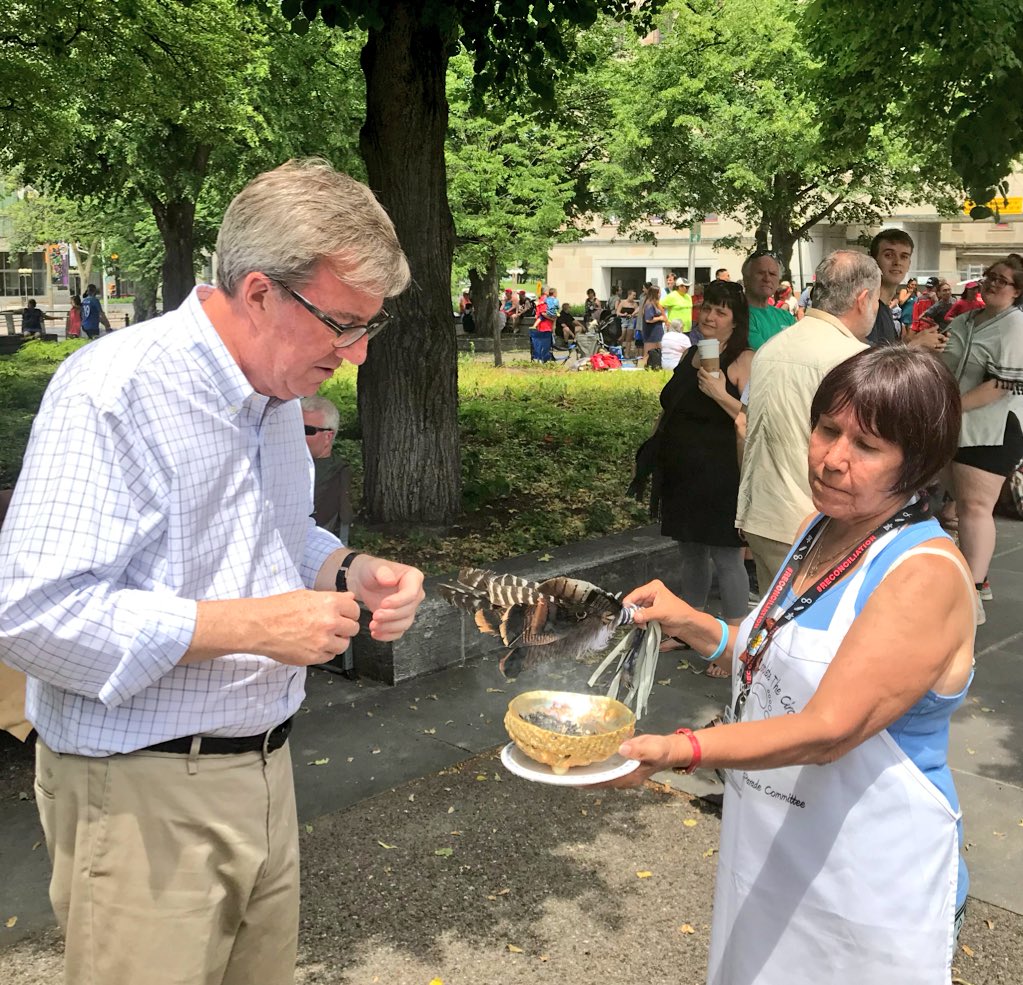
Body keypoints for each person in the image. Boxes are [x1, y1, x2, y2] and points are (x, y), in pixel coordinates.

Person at [0, 159, 427, 985]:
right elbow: (32, 615)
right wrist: (255, 626)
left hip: (263, 769)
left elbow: (277, 536)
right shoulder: (114, 389)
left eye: (369, 327)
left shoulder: (273, 394)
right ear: (261, 292)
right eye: (343, 323)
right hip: (139, 795)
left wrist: (347, 569)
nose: (359, 354)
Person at [611, 345, 976, 985]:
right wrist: (691, 623)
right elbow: (772, 655)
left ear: (916, 465)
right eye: (827, 429)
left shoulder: (924, 573)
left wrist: (680, 749)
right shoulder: (822, 526)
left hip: (867, 872)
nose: (832, 458)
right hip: (775, 841)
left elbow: (831, 727)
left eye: (867, 446)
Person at [736, 250, 875, 592]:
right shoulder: (855, 360)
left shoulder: (771, 347)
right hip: (820, 526)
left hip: (763, 516)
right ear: (863, 299)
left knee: (772, 631)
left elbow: (741, 424)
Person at [655, 280, 752, 676]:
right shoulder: (691, 353)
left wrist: (719, 393)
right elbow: (672, 406)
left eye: (721, 311)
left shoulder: (744, 359)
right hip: (683, 469)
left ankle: (734, 644)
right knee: (690, 550)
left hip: (722, 471)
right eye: (707, 307)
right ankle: (688, 627)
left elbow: (751, 419)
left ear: (734, 321)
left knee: (727, 557)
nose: (710, 316)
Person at [941, 255, 1023, 618]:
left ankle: (971, 596)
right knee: (959, 504)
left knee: (975, 508)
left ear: (1017, 291)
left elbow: (1000, 385)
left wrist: (951, 407)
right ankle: (976, 575)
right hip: (956, 426)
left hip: (993, 428)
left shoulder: (1015, 326)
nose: (991, 283)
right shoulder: (964, 320)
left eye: (1002, 281)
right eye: (990, 276)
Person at [301, 394, 353, 546]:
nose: (297, 434)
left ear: (328, 437)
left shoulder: (332, 474)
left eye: (306, 430)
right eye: (293, 426)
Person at [742, 251, 794, 349]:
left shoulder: (786, 317)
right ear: (746, 279)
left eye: (772, 274)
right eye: (761, 273)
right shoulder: (739, 315)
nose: (767, 278)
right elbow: (764, 356)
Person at [640, 284, 667, 368]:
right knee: (648, 353)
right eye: (658, 293)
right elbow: (648, 319)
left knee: (659, 351)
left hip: (657, 332)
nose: (660, 295)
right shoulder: (649, 305)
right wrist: (660, 318)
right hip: (651, 333)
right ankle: (642, 367)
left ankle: (656, 366)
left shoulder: (655, 304)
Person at [531, 287, 555, 362]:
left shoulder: (540, 299)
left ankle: (541, 359)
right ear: (546, 292)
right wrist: (552, 318)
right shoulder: (545, 300)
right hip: (545, 326)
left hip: (542, 326)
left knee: (540, 345)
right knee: (545, 345)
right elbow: (543, 313)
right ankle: (543, 360)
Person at [616, 289, 639, 356]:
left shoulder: (634, 304)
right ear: (629, 295)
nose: (634, 297)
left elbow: (637, 313)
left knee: (629, 339)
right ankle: (619, 352)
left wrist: (633, 315)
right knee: (621, 337)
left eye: (635, 295)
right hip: (623, 320)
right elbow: (617, 312)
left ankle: (627, 354)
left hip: (631, 321)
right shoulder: (623, 302)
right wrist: (623, 314)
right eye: (633, 295)